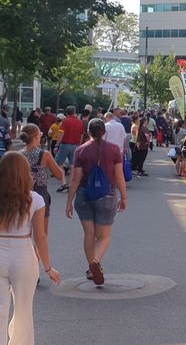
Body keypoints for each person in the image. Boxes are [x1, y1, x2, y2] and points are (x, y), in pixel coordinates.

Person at [0, 152, 60, 345]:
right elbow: (40, 236)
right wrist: (48, 267)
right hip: (23, 253)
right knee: (23, 306)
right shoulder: (34, 198)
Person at [66, 116, 126, 286]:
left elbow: (75, 180)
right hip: (106, 195)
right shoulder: (114, 149)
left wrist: (69, 202)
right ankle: (95, 262)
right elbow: (119, 176)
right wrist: (123, 196)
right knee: (104, 236)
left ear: (88, 132)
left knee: (89, 234)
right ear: (104, 132)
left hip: (84, 195)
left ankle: (92, 267)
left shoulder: (81, 150)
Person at [19, 123, 64, 236]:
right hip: (40, 191)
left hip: (22, 193)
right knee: (41, 233)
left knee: (24, 229)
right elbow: (59, 175)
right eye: (40, 135)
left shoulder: (18, 155)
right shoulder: (45, 154)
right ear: (36, 136)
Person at [55, 105, 85, 191]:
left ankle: (63, 182)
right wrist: (79, 145)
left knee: (59, 162)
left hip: (65, 144)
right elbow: (82, 135)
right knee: (73, 165)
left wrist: (57, 144)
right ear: (74, 112)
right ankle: (71, 183)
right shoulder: (80, 122)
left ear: (66, 112)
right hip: (76, 145)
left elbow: (61, 133)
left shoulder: (65, 121)